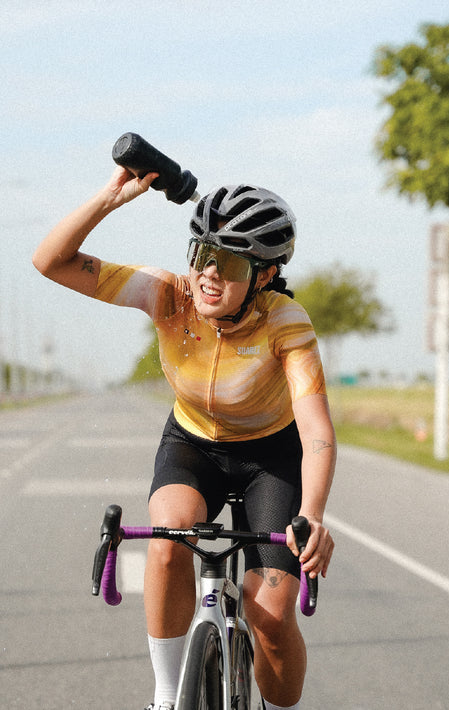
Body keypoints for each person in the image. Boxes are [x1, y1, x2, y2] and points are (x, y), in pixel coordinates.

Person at [33, 165, 336, 710]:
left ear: (264, 276)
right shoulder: (167, 295)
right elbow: (49, 262)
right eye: (202, 255)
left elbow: (315, 428)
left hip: (271, 457)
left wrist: (311, 515)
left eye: (232, 262)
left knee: (268, 616)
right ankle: (167, 698)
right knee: (169, 539)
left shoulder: (286, 323)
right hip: (192, 444)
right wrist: (111, 196)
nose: (209, 275)